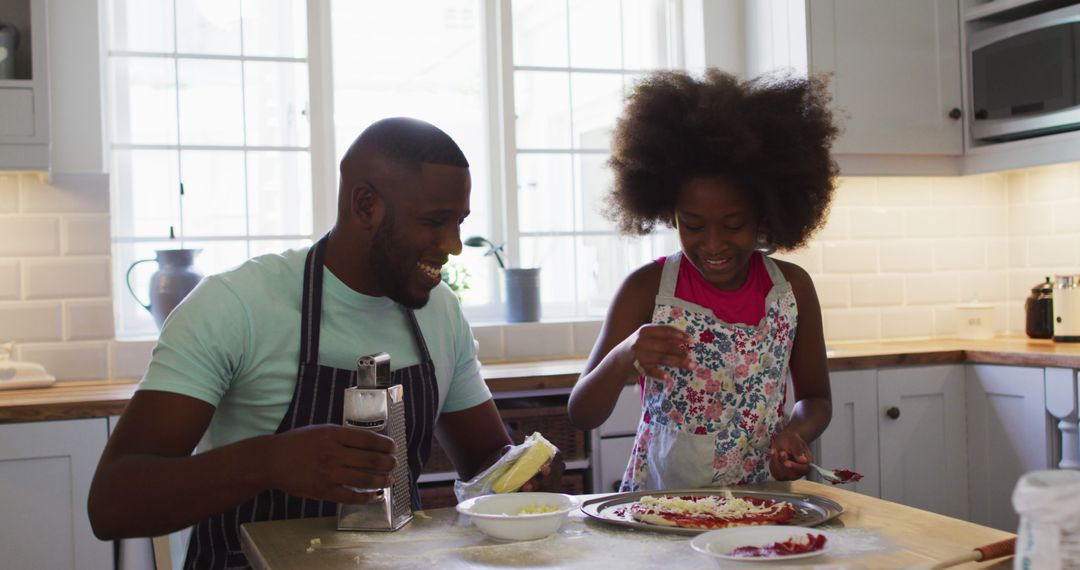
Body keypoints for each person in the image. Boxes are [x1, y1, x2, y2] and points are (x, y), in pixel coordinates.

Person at [88, 117, 564, 569]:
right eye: (435, 221)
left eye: (459, 221)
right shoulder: (236, 305)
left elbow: (486, 462)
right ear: (365, 205)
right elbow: (113, 503)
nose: (454, 244)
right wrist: (267, 462)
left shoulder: (440, 312)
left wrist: (524, 475)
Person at [567, 70, 836, 491]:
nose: (713, 244)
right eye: (692, 225)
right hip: (663, 506)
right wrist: (624, 355)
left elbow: (816, 398)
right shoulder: (647, 289)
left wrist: (795, 433)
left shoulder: (792, 290)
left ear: (765, 215)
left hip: (761, 503)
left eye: (733, 225)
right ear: (668, 213)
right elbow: (582, 413)